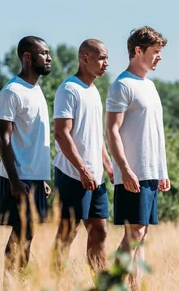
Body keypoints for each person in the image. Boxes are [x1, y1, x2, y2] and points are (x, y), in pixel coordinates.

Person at [105, 26, 170, 290]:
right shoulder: (122, 85)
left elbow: (155, 132)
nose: (159, 57)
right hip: (133, 174)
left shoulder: (150, 86)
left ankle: (134, 287)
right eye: (155, 52)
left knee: (142, 236)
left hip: (151, 173)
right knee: (134, 234)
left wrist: (162, 171)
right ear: (138, 51)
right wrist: (125, 169)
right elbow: (111, 130)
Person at [51, 39, 114, 273]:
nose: (106, 63)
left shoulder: (94, 90)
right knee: (67, 234)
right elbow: (61, 133)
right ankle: (55, 285)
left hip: (95, 177)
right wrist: (83, 170)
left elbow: (95, 136)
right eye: (101, 58)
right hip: (72, 175)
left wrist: (107, 165)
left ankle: (103, 285)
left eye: (107, 58)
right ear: (84, 58)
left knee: (100, 231)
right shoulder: (69, 89)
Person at [0, 36, 53, 273]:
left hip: (35, 176)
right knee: (21, 232)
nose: (49, 58)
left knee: (28, 233)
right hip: (18, 177)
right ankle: (10, 282)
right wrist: (14, 179)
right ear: (27, 57)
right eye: (44, 53)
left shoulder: (36, 89)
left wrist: (42, 177)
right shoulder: (12, 91)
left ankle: (18, 281)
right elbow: (3, 137)